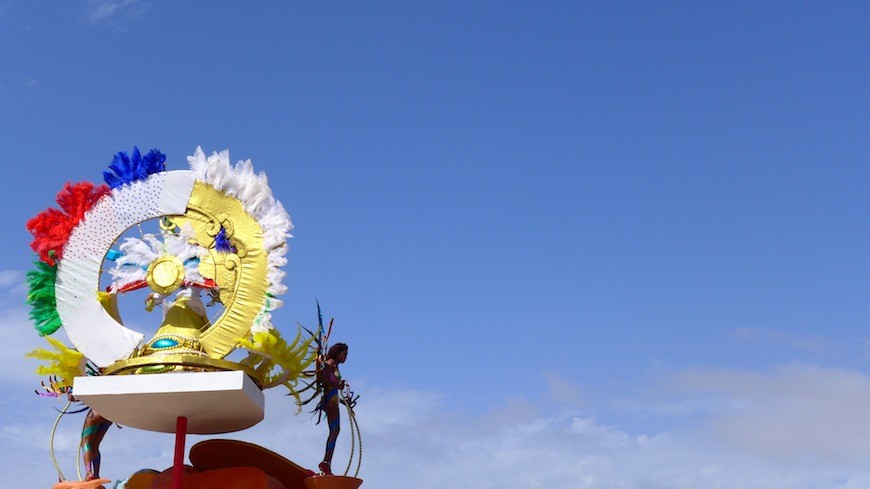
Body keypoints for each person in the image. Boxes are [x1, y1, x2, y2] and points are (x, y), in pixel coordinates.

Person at [317, 343, 348, 475]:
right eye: (344, 354)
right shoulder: (330, 362)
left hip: (334, 398)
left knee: (335, 430)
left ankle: (327, 462)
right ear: (337, 353)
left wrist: (344, 401)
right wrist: (337, 384)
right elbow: (322, 378)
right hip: (330, 398)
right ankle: (326, 463)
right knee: (335, 430)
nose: (345, 357)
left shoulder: (334, 365)